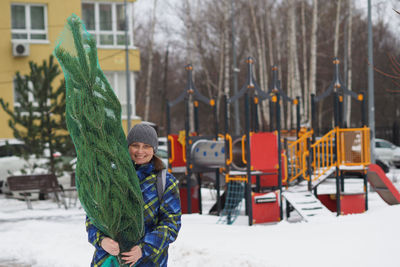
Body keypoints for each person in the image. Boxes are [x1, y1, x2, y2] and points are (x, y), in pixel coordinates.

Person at [86, 123, 182, 266]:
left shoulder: (165, 182)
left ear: (154, 149)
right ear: (128, 147)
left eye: (147, 146)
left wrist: (144, 248)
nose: (140, 151)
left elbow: (171, 224)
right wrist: (101, 240)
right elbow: (92, 217)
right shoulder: (112, 178)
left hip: (148, 261)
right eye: (135, 145)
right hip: (108, 261)